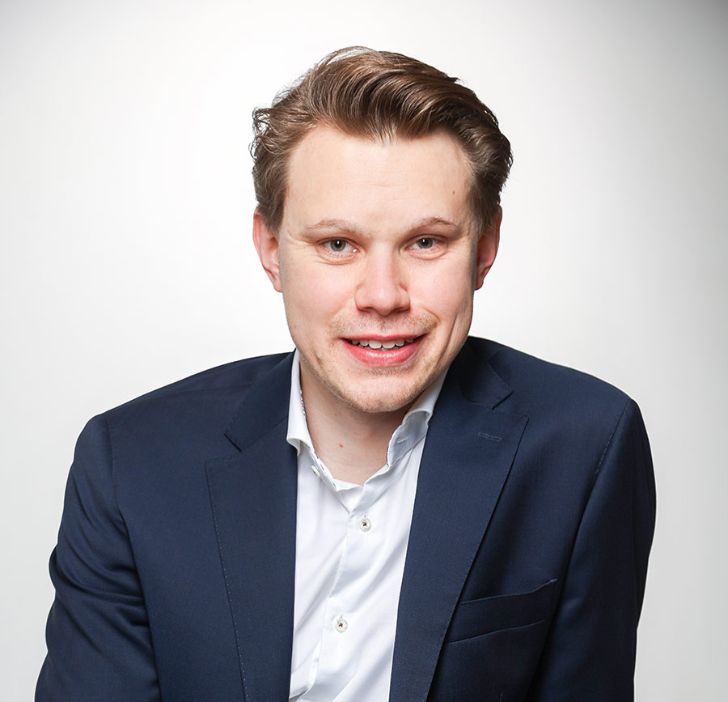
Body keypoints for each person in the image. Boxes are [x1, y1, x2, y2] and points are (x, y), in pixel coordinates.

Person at [36, 47, 656, 702]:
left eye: (426, 242)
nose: (382, 296)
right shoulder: (130, 463)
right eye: (338, 244)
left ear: (484, 249)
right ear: (270, 249)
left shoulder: (584, 447)